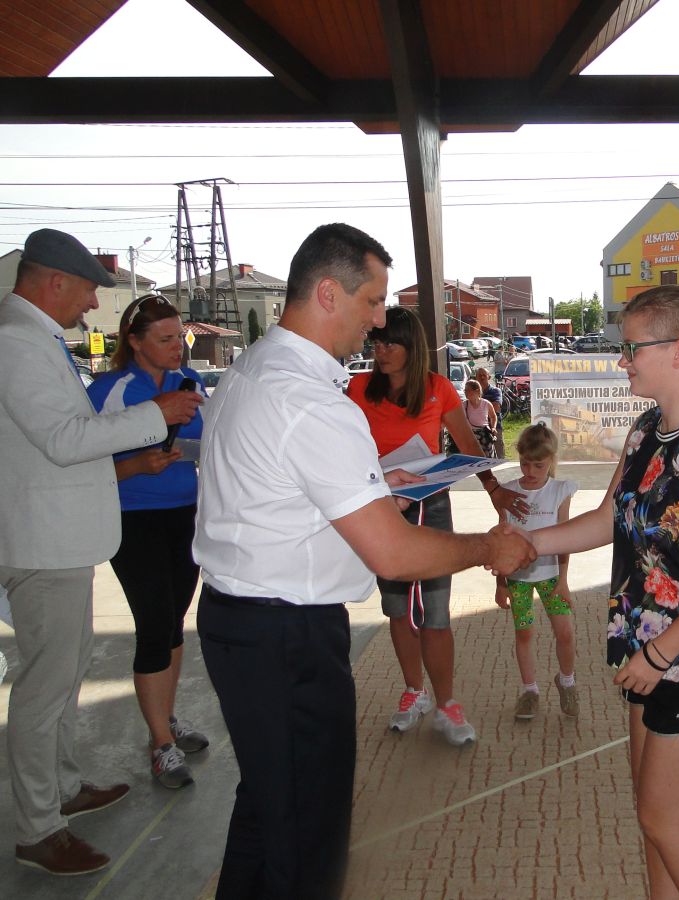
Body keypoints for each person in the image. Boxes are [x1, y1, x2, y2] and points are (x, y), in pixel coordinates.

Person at [193, 223, 535, 898]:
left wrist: (374, 486)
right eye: (373, 301)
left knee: (266, 807)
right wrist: (487, 549)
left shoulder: (253, 369)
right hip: (286, 636)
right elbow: (394, 553)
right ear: (329, 292)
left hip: (238, 621)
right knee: (308, 835)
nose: (379, 321)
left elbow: (281, 493)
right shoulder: (312, 401)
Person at [529, 285, 679, 898]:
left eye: (632, 347)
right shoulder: (646, 431)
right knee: (652, 816)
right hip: (653, 646)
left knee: (666, 818)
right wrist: (529, 544)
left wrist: (660, 654)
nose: (622, 359)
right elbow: (609, 518)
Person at [0, 229, 202, 875]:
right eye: (88, 289)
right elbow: (66, 440)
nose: (92, 305)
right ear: (54, 280)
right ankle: (39, 828)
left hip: (59, 538)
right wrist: (157, 414)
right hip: (42, 541)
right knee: (44, 689)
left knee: (63, 677)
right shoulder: (17, 340)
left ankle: (62, 789)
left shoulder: (33, 337)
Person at [346, 305, 529, 748]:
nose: (380, 351)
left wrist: (494, 490)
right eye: (376, 343)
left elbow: (467, 445)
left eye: (390, 344)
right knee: (397, 609)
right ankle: (415, 691)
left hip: (431, 506)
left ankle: (447, 703)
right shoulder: (358, 387)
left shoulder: (438, 388)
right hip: (382, 507)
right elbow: (343, 446)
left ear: (411, 347)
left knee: (435, 612)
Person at [86, 294, 210, 791]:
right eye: (165, 339)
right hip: (133, 519)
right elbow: (78, 465)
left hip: (185, 513)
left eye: (180, 336)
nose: (178, 346)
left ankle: (166, 719)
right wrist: (136, 466)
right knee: (154, 624)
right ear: (135, 342)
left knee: (173, 622)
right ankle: (160, 743)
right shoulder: (107, 391)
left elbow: (208, 440)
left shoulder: (190, 382)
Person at [494, 423, 578, 721]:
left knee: (565, 633)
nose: (530, 471)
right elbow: (501, 539)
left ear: (552, 460)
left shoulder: (560, 491)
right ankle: (529, 690)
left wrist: (564, 581)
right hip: (517, 579)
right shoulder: (507, 492)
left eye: (538, 465)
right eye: (524, 463)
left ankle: (567, 682)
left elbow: (566, 538)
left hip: (552, 578)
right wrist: (501, 582)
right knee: (524, 632)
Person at [463, 378, 498, 458]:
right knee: (473, 459)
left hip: (485, 434)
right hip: (471, 436)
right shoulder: (464, 405)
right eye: (465, 390)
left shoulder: (486, 404)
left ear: (477, 391)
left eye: (468, 390)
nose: (466, 393)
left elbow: (493, 416)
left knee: (488, 459)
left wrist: (493, 427)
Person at [476, 366, 505, 458]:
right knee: (481, 457)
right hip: (478, 430)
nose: (482, 377)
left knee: (499, 456)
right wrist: (487, 406)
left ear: (489, 377)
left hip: (494, 428)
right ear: (476, 377)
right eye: (479, 375)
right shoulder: (474, 393)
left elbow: (496, 407)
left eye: (484, 375)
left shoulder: (496, 391)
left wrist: (477, 406)